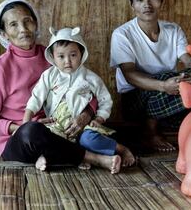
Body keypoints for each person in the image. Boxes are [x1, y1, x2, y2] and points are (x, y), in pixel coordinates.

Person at [0, 0, 121, 173]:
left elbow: (85, 86)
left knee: (93, 133)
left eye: (27, 21)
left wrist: (86, 114)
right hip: (19, 139)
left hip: (59, 128)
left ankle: (52, 156)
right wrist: (21, 126)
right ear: (4, 33)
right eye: (13, 25)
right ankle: (94, 158)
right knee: (32, 132)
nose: (23, 29)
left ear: (36, 23)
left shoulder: (55, 56)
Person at [110, 0, 191, 152]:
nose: (147, 5)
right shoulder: (122, 34)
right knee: (167, 76)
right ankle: (149, 132)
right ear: (132, 4)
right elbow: (129, 74)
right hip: (135, 99)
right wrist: (163, 85)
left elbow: (190, 62)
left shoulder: (173, 30)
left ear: (161, 1)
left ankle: (182, 130)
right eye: (140, 0)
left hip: (169, 92)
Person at [22, 27, 135, 168]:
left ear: (82, 53)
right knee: (49, 140)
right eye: (61, 56)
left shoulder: (90, 78)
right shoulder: (49, 76)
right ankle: (80, 158)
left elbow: (105, 100)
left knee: (90, 140)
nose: (67, 61)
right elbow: (36, 98)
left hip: (84, 127)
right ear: (52, 56)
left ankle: (121, 149)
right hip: (57, 125)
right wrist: (27, 120)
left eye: (73, 55)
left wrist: (99, 118)